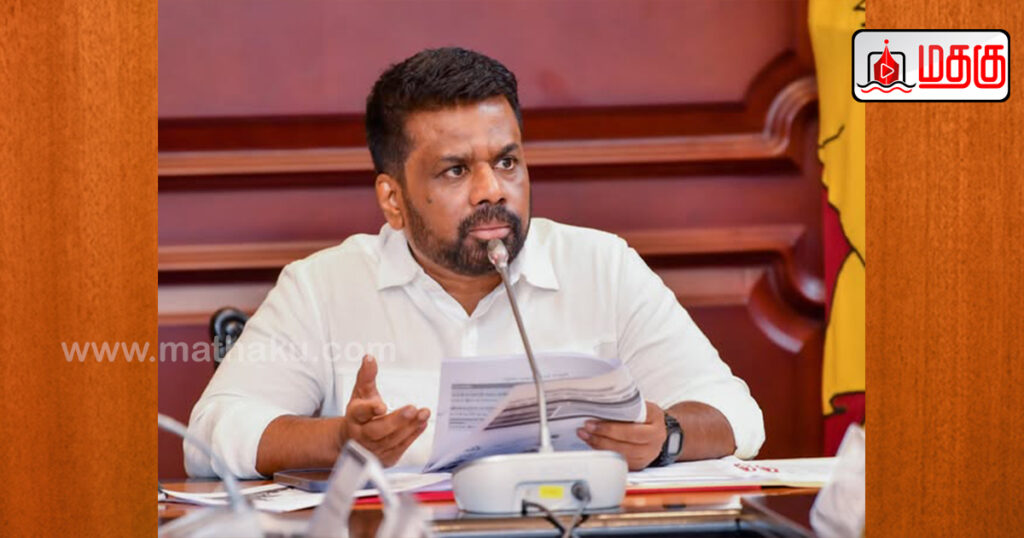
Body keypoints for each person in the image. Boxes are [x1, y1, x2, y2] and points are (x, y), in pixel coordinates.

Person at [185, 47, 764, 479]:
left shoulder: (601, 266)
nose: (492, 190)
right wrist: (338, 440)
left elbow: (736, 413)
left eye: (507, 162)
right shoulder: (324, 286)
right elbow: (211, 436)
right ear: (392, 199)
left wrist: (665, 435)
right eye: (456, 170)